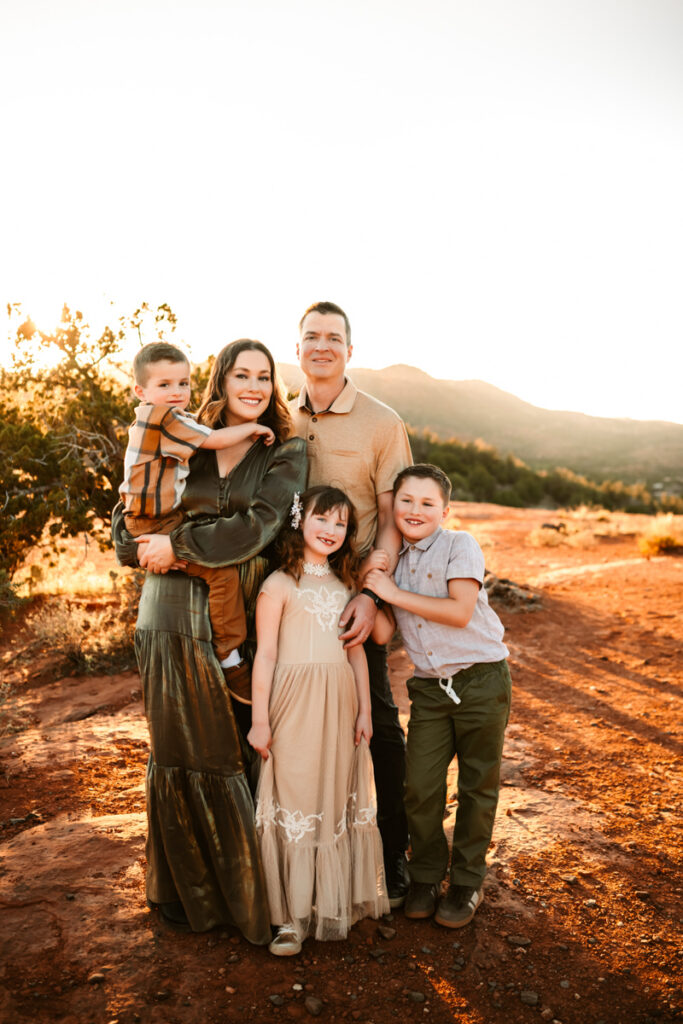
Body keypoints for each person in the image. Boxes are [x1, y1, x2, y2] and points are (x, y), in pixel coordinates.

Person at [112, 339, 307, 941]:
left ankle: (249, 902)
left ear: (274, 385)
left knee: (236, 748)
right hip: (166, 614)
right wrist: (154, 546)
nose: (252, 386)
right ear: (219, 382)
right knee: (177, 751)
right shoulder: (184, 437)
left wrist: (181, 546)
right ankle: (185, 896)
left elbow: (260, 526)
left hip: (243, 618)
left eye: (263, 376)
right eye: (240, 375)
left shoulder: (285, 449)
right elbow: (125, 532)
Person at [291, 300, 412, 907]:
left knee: (379, 723)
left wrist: (370, 593)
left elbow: (392, 522)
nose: (322, 346)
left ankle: (393, 853)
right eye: (311, 336)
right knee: (292, 723)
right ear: (298, 347)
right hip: (286, 593)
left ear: (349, 349)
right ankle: (304, 854)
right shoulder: (279, 417)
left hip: (350, 597)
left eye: (333, 337)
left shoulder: (382, 421)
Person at [366, 463, 512, 928]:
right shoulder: (391, 562)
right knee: (420, 787)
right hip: (429, 688)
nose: (415, 510)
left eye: (427, 503)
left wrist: (390, 590)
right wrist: (366, 596)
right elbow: (388, 630)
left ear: (445, 510)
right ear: (394, 507)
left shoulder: (458, 545)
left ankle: (467, 881)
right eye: (406, 501)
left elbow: (460, 611)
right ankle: (427, 873)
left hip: (481, 680)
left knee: (477, 784)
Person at [248, 486, 389, 956]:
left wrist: (366, 711)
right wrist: (260, 721)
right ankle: (288, 918)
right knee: (294, 795)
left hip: (340, 704)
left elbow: (357, 656)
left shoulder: (348, 587)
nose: (330, 530)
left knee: (331, 794)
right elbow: (265, 656)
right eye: (321, 519)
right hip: (292, 704)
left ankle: (330, 902)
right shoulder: (279, 585)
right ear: (299, 520)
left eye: (341, 524)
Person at [120, 341, 275, 702]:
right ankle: (231, 658)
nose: (177, 392)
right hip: (154, 523)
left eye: (184, 384)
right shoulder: (164, 419)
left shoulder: (163, 419)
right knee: (221, 576)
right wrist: (254, 429)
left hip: (159, 518)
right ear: (140, 391)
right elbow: (215, 439)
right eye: (165, 385)